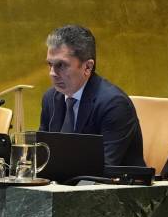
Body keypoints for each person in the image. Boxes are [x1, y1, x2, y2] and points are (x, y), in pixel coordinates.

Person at [39, 24, 144, 167]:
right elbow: (42, 155)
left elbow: (104, 167)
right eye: (50, 64)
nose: (52, 73)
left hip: (111, 181)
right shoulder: (50, 98)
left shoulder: (114, 105)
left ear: (87, 67)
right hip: (65, 179)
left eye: (61, 65)